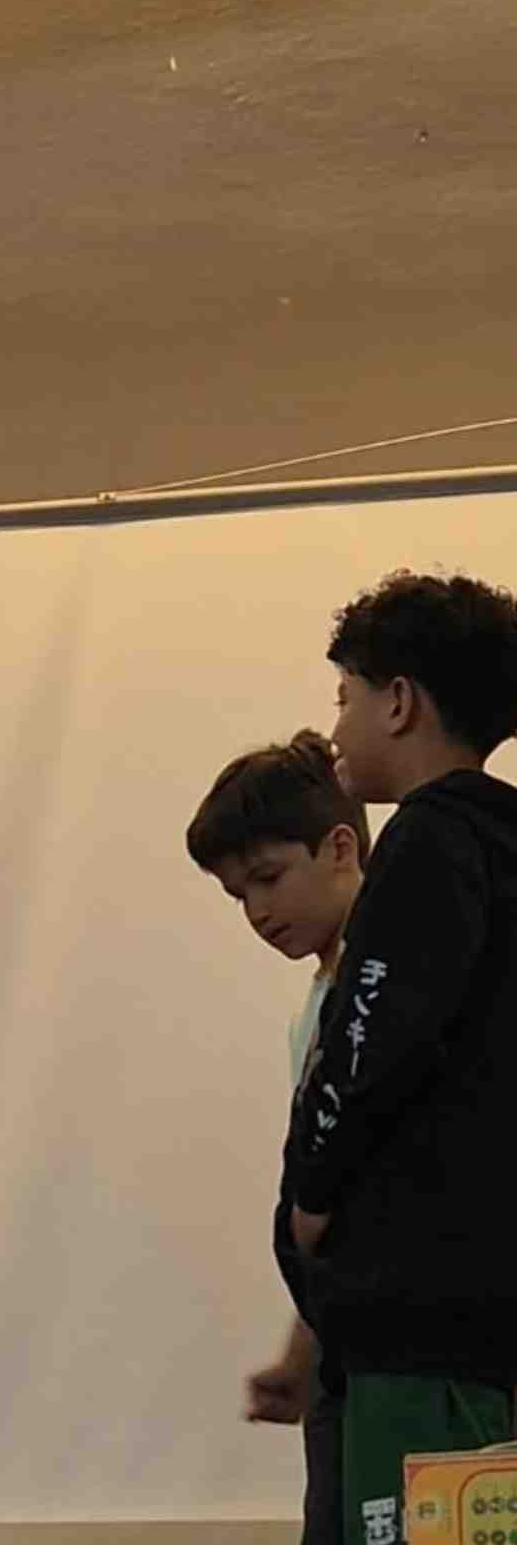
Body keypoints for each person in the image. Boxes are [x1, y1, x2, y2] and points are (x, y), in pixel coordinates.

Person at [283, 571, 517, 1545]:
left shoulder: (429, 839)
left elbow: (369, 1038)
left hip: (420, 1331)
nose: (335, 726)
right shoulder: (501, 847)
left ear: (399, 700)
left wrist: (311, 1188)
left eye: (345, 696)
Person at [188, 729, 369, 1545]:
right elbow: (338, 1200)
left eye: (268, 878)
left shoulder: (389, 994)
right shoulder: (321, 1000)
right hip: (343, 1348)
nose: (257, 912)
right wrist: (302, 1356)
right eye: (239, 895)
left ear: (340, 848)